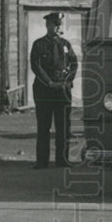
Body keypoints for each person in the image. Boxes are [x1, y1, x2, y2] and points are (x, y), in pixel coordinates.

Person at [30, 12, 78, 168]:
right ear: (47, 25)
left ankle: (62, 159)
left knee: (63, 126)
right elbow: (36, 66)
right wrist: (49, 82)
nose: (58, 28)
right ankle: (42, 161)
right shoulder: (39, 44)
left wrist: (67, 81)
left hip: (62, 91)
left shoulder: (65, 44)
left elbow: (74, 64)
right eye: (55, 24)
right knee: (44, 126)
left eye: (59, 25)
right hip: (44, 90)